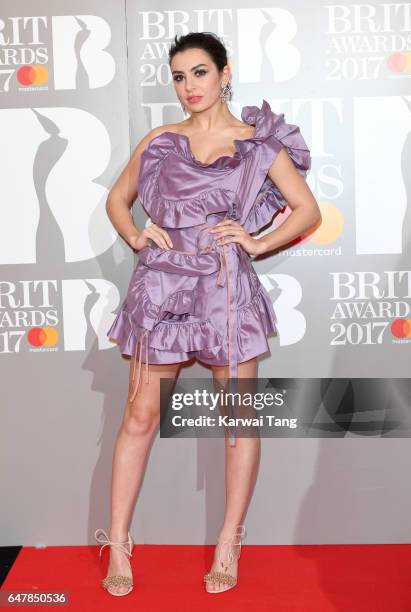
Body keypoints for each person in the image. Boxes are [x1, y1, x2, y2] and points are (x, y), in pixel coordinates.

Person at [94, 31, 321, 597]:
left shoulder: (256, 146)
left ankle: (229, 540)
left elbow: (307, 210)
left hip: (225, 290)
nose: (188, 86)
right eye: (178, 76)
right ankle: (118, 544)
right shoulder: (160, 141)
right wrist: (136, 234)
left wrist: (256, 243)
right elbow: (117, 199)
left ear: (224, 73)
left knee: (239, 422)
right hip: (162, 289)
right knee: (140, 417)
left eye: (198, 72)